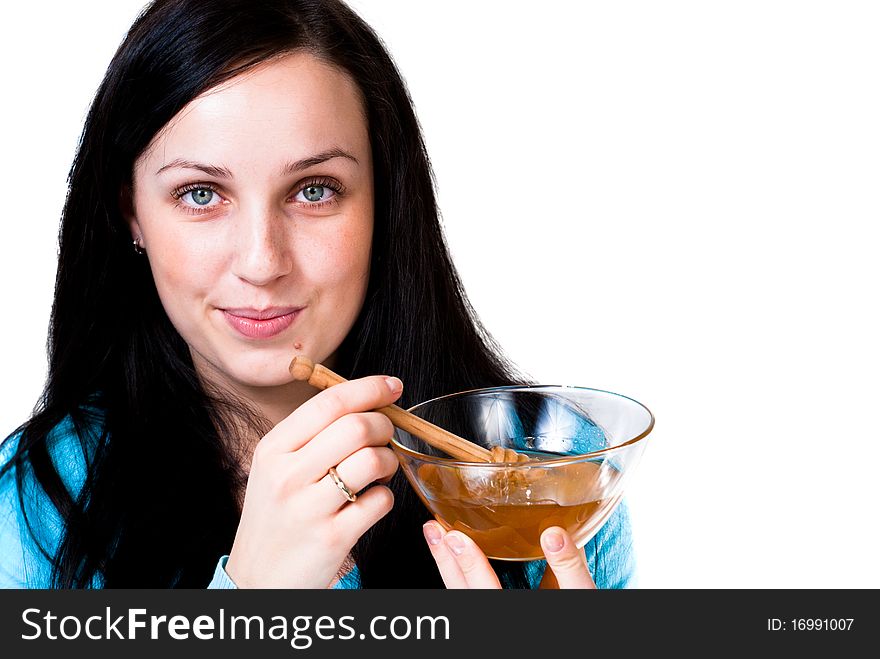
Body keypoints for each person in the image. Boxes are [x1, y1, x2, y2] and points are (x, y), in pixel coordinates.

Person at [0, 0, 635, 589]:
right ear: (131, 215)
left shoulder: (559, 476)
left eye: (314, 191)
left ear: (385, 204)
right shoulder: (38, 501)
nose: (261, 263)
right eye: (200, 194)